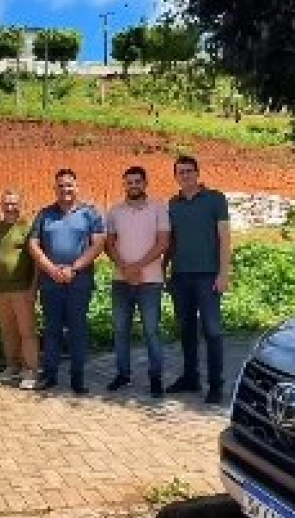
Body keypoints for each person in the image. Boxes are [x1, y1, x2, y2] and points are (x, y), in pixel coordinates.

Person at [29, 169, 106, 394]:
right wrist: (51, 269)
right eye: (61, 186)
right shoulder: (44, 214)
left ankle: (77, 378)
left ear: (77, 187)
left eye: (69, 185)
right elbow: (33, 244)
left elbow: (98, 244)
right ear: (55, 188)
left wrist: (74, 268)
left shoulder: (90, 213)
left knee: (77, 329)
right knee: (51, 330)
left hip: (79, 281)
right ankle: (50, 375)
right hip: (51, 281)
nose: (65, 190)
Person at [164, 155, 231, 405]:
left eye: (189, 171)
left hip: (208, 276)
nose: (185, 175)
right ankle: (190, 378)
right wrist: (164, 268)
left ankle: (215, 385)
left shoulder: (215, 199)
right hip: (180, 276)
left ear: (197, 173)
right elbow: (171, 241)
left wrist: (224, 273)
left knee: (212, 331)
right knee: (186, 330)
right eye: (180, 172)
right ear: (176, 176)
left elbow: (225, 238)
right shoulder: (173, 204)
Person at [105, 167, 170, 399]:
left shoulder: (158, 208)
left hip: (150, 282)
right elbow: (109, 245)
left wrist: (136, 267)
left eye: (137, 182)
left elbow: (163, 243)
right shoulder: (114, 212)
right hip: (121, 282)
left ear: (145, 183)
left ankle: (155, 377)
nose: (133, 185)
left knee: (151, 332)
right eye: (129, 182)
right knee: (121, 330)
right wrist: (125, 268)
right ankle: (123, 374)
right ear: (124, 185)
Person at [0, 190, 40, 391]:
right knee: (8, 331)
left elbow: (37, 261)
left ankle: (30, 370)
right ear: (1, 205)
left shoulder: (28, 228)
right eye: (6, 204)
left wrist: (33, 288)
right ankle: (12, 366)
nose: (10, 207)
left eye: (14, 204)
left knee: (26, 332)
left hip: (22, 289)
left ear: (21, 205)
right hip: (2, 289)